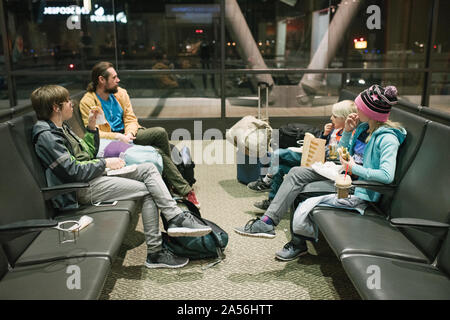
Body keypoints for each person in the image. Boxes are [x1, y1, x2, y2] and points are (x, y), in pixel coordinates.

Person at [31, 85, 212, 269]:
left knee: (148, 168)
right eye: (67, 101)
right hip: (80, 188)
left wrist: (92, 128)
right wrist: (105, 163)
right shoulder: (48, 137)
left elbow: (87, 154)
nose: (71, 104)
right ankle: (155, 253)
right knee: (148, 191)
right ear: (56, 107)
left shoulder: (61, 128)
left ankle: (175, 218)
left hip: (91, 176)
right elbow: (72, 171)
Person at [234, 85, 406, 262]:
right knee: (296, 173)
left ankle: (298, 244)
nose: (356, 111)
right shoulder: (363, 129)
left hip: (357, 188)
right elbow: (341, 151)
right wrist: (347, 132)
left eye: (359, 107)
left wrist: (354, 167)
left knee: (300, 191)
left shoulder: (388, 138)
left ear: (370, 112)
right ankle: (267, 223)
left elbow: (387, 176)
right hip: (343, 175)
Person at [79, 61, 200, 207]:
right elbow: (95, 132)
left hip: (129, 134)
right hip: (112, 141)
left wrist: (129, 133)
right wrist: (119, 137)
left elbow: (130, 118)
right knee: (158, 152)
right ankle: (183, 189)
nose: (118, 80)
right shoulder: (87, 102)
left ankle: (167, 182)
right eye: (114, 78)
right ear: (101, 80)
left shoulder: (120, 93)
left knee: (160, 133)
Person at [248, 100, 357, 211]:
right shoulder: (335, 131)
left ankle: (267, 181)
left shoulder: (351, 137)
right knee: (279, 167)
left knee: (277, 154)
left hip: (325, 166)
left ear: (344, 119)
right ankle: (272, 200)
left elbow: (339, 156)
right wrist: (324, 135)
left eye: (334, 116)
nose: (331, 118)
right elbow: (322, 144)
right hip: (316, 158)